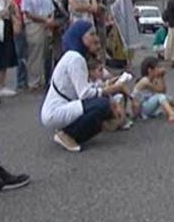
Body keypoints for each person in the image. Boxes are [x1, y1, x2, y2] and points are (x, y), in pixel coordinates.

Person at [40, 21, 128, 152]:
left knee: (103, 105)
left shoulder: (75, 56)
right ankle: (67, 134)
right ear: (80, 37)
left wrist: (109, 85)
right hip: (56, 112)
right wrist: (113, 90)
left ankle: (70, 130)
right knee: (103, 105)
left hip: (63, 106)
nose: (96, 38)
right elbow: (85, 94)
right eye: (91, 34)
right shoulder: (75, 58)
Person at [133, 56, 174, 124]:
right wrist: (161, 76)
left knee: (166, 97)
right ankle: (172, 115)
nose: (159, 69)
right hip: (141, 110)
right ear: (150, 70)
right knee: (160, 96)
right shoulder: (145, 81)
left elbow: (163, 92)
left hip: (145, 106)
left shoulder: (152, 79)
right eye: (157, 67)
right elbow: (160, 92)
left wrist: (161, 77)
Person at [21, 0, 55, 92]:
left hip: (46, 25)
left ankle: (44, 80)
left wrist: (50, 20)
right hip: (34, 25)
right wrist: (44, 20)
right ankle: (33, 82)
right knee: (35, 54)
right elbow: (27, 12)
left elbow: (51, 9)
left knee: (46, 54)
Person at [111, 0, 141, 68]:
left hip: (124, 21)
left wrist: (113, 10)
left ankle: (126, 61)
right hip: (130, 20)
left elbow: (121, 9)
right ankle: (129, 61)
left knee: (123, 41)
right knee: (128, 40)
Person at [12, 0, 30, 92]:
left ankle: (25, 79)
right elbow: (18, 9)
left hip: (26, 26)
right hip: (20, 27)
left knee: (25, 55)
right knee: (20, 55)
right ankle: (20, 81)